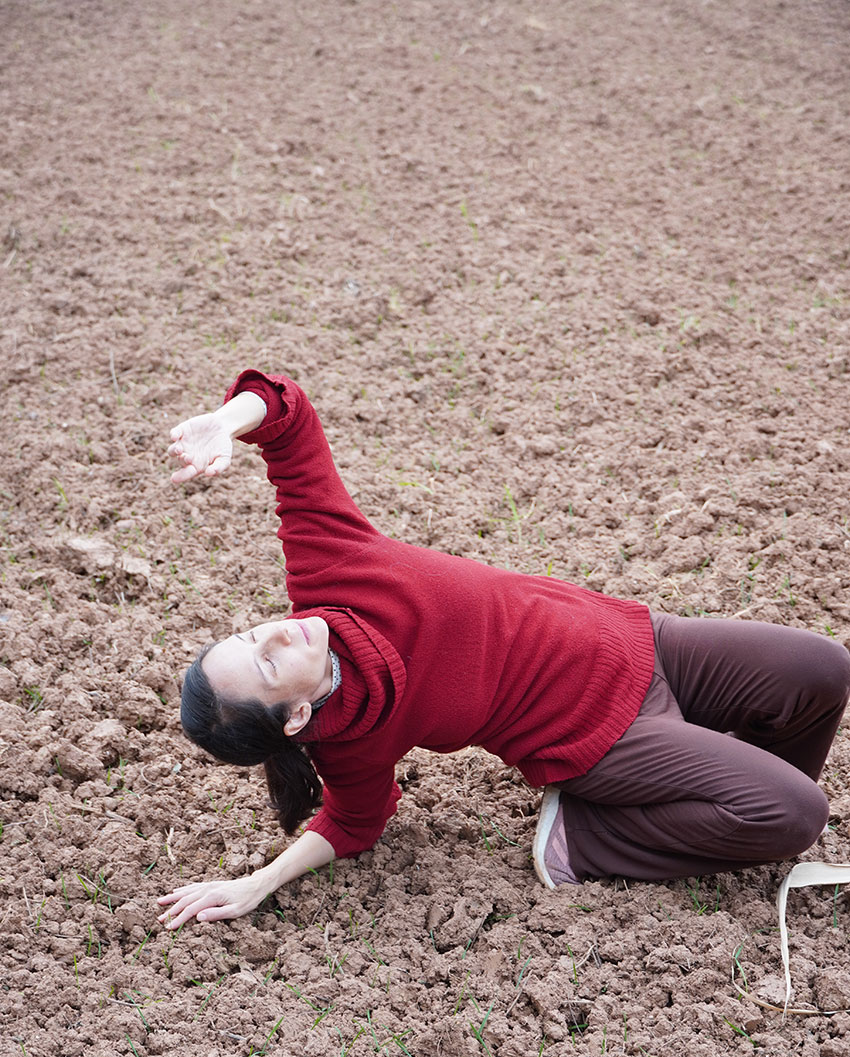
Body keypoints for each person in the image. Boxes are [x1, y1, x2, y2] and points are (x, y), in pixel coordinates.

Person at [157, 371, 850, 930]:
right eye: (270, 663)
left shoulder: (325, 567)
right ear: (298, 717)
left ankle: (724, 798)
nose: (282, 631)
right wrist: (259, 880)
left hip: (643, 640)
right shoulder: (353, 739)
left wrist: (227, 422)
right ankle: (586, 839)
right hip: (602, 736)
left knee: (822, 670)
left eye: (254, 634)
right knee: (793, 814)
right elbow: (354, 820)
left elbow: (289, 416)